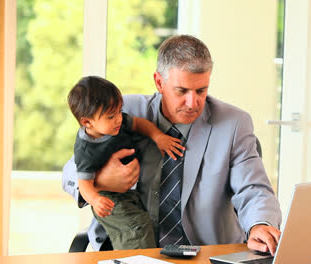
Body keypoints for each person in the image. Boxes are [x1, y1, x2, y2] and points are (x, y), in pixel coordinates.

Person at [62, 34, 282, 255]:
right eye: (182, 91)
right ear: (159, 82)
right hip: (127, 248)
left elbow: (253, 188)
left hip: (203, 252)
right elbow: (71, 171)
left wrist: (259, 223)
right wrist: (100, 180)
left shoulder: (233, 124)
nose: (192, 103)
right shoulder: (121, 114)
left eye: (201, 91)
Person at [67, 76, 184, 250]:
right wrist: (96, 199)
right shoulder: (86, 149)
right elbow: (83, 184)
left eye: (119, 112)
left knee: (143, 225)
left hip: (131, 194)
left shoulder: (117, 121)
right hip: (109, 198)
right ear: (87, 122)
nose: (119, 119)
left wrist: (157, 137)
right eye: (110, 116)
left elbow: (138, 124)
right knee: (136, 229)